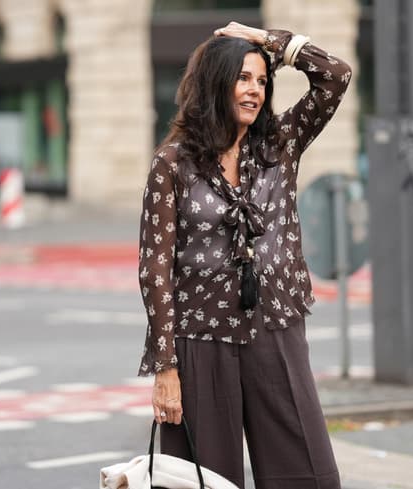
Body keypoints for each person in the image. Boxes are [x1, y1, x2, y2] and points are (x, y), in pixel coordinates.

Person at [136, 21, 351, 489]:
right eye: (243, 78)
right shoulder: (172, 163)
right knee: (203, 480)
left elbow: (335, 75)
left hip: (276, 326)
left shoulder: (279, 145)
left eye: (261, 80)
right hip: (201, 339)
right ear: (216, 84)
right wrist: (166, 368)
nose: (255, 90)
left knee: (308, 472)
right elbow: (155, 268)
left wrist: (269, 41)